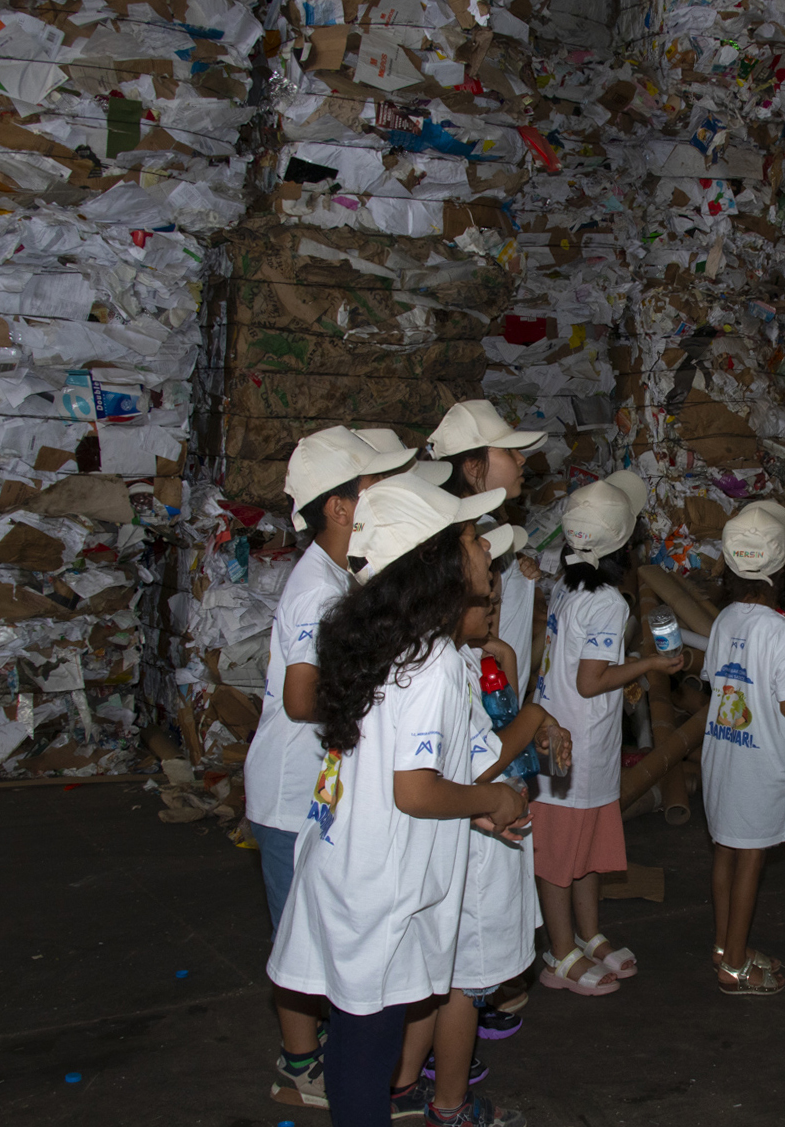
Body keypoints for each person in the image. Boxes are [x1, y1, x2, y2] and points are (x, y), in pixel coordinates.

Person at [266, 476, 530, 1126]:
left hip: (346, 862)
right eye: (470, 538)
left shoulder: (377, 638)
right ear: (435, 559)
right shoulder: (436, 658)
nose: (481, 551)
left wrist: (467, 803)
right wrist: (491, 796)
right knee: (366, 1052)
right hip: (382, 885)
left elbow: (397, 767)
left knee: (361, 1043)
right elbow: (413, 789)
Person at [246, 426, 417, 1109]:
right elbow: (299, 695)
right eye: (372, 486)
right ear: (341, 507)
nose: (383, 495)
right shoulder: (317, 589)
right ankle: (301, 1064)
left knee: (311, 932)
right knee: (301, 936)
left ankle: (311, 1057)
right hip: (292, 790)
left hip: (310, 785)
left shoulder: (341, 573)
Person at [390, 575, 574, 1127]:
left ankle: (402, 1086)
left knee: (439, 979)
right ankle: (452, 1106)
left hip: (484, 836)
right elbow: (482, 761)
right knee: (464, 985)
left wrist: (533, 720)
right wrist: (537, 717)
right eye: (483, 603)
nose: (494, 611)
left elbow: (501, 730)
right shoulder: (444, 672)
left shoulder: (474, 659)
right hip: (473, 848)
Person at [531, 470, 682, 995]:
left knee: (586, 845)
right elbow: (591, 680)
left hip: (571, 740)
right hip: (570, 745)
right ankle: (559, 950)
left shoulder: (569, 584)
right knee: (557, 854)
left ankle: (588, 935)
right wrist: (649, 666)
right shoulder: (609, 603)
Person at [701, 502, 785, 995]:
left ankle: (727, 945)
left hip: (723, 757)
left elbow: (713, 682)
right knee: (751, 857)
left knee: (725, 849)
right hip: (761, 763)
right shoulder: (783, 630)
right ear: (782, 566)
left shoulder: (725, 619)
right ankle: (735, 967)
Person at [425, 401, 548, 689]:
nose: (521, 459)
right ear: (473, 465)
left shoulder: (487, 525)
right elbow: (481, 639)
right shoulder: (464, 541)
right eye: (507, 450)